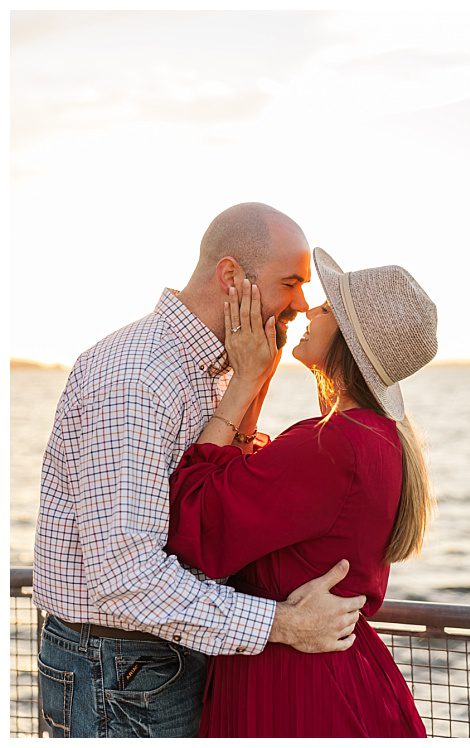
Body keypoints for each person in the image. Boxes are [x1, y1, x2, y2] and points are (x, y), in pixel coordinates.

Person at [33, 204, 364, 738]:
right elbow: (126, 578)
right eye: (291, 283)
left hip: (156, 655)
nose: (302, 305)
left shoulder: (210, 369)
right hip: (118, 666)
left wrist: (255, 383)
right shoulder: (136, 376)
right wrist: (285, 625)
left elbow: (209, 500)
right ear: (231, 276)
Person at [164, 249, 436, 737]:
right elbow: (246, 486)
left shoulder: (331, 444)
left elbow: (194, 515)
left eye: (328, 308)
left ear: (349, 344)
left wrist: (244, 380)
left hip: (293, 686)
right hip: (339, 672)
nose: (310, 309)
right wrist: (259, 383)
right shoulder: (379, 437)